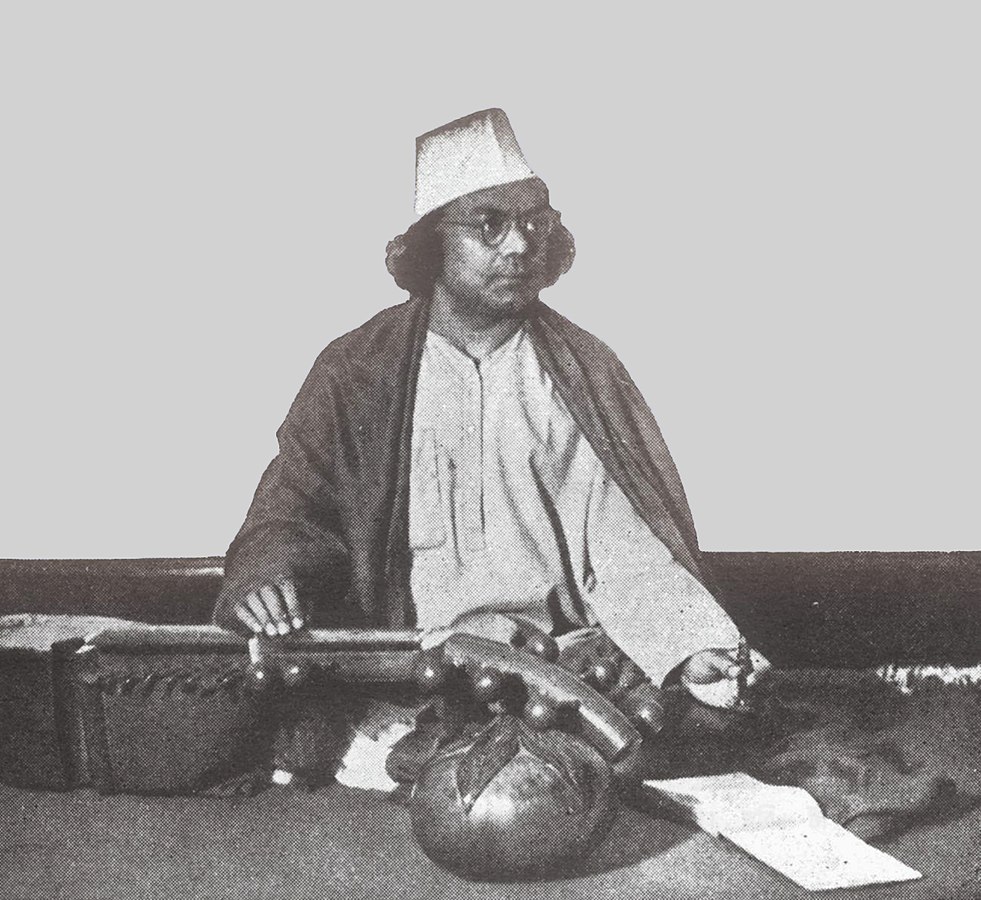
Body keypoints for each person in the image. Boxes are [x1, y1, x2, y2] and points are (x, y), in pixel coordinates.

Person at [214, 110, 758, 781]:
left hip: (557, 675)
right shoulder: (356, 369)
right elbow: (293, 506)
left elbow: (625, 548)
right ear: (431, 245)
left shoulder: (581, 373)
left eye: (534, 223)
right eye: (489, 225)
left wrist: (686, 647)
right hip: (403, 684)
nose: (519, 245)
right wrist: (266, 576)